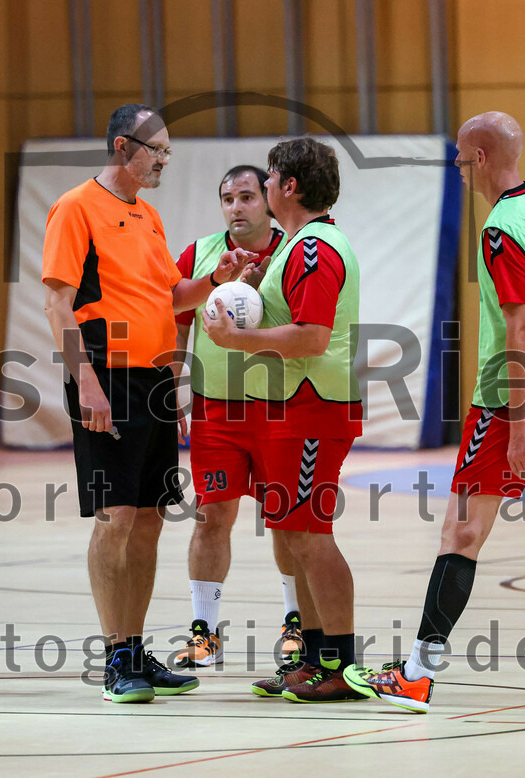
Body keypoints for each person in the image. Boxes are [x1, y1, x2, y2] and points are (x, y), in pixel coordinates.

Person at [344, 111, 525, 713]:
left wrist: (517, 421)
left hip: (513, 398)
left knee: (461, 533)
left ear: (483, 156)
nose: (461, 168)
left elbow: (522, 325)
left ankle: (415, 674)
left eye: (464, 158)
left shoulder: (501, 228)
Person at [42, 104, 254, 703]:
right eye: (155, 150)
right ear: (121, 147)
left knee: (152, 519)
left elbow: (172, 296)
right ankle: (115, 659)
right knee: (117, 518)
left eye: (167, 152)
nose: (163, 160)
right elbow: (58, 304)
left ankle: (135, 651)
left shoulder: (150, 218)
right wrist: (85, 384)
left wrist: (217, 278)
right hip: (106, 375)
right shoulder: (75, 207)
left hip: (155, 383)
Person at [204, 138, 364, 703]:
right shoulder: (297, 247)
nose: (265, 186)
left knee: (310, 535)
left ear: (288, 186)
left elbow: (313, 337)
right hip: (293, 406)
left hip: (313, 406)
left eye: (269, 178)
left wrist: (235, 338)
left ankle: (340, 667)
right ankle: (316, 661)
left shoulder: (314, 248)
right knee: (293, 533)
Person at [172, 165, 305, 668]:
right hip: (215, 407)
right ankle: (204, 632)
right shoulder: (200, 254)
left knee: (287, 521)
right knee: (211, 516)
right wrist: (173, 390)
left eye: (247, 196)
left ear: (267, 202)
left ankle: (296, 624)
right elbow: (175, 321)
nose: (236, 207)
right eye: (228, 198)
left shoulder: (297, 249)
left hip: (280, 407)